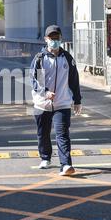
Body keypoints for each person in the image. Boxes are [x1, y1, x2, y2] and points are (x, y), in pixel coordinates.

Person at [30, 25, 82, 176]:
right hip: (42, 103)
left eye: (56, 38)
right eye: (51, 38)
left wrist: (77, 100)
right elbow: (36, 81)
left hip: (62, 103)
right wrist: (45, 92)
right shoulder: (40, 58)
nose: (54, 41)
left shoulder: (67, 58)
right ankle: (45, 157)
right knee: (43, 133)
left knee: (62, 134)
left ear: (61, 39)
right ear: (46, 39)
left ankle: (66, 165)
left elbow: (74, 80)